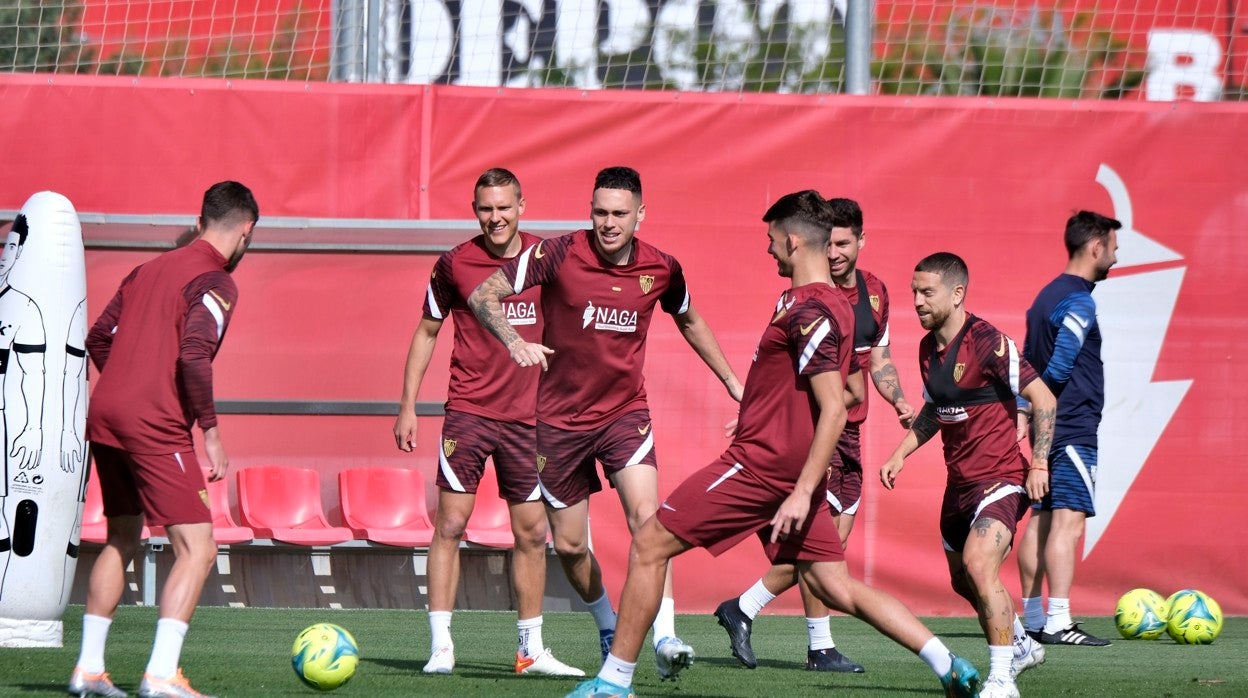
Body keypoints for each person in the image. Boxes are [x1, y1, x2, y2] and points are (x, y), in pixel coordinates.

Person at [565, 191, 982, 698]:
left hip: (761, 468)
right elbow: (830, 389)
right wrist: (761, 411)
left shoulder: (810, 311)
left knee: (650, 543)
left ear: (790, 241)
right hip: (780, 463)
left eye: (770, 242)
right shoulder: (831, 305)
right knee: (836, 586)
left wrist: (803, 489)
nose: (768, 251)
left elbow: (835, 406)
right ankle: (949, 664)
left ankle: (614, 682)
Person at [468, 166, 743, 677]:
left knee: (648, 520)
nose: (608, 223)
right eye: (600, 212)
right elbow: (484, 294)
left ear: (641, 214)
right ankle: (608, 626)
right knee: (570, 546)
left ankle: (663, 636)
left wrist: (731, 380)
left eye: (620, 213)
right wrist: (514, 340)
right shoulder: (556, 254)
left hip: (624, 415)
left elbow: (689, 319)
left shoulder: (661, 268)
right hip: (558, 423)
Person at [68, 181, 257, 698]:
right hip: (154, 423)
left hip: (106, 414)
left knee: (122, 537)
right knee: (199, 547)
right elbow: (194, 354)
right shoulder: (216, 279)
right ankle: (160, 674)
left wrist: (129, 380)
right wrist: (211, 432)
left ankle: (88, 670)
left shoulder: (146, 270)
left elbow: (98, 338)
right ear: (247, 230)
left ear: (200, 221)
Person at [392, 168, 582, 677]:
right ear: (475, 210)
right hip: (470, 413)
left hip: (531, 421)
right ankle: (440, 646)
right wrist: (408, 405)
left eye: (504, 207)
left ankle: (530, 651)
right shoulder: (454, 263)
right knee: (450, 524)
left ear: (522, 205)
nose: (495, 217)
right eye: (485, 209)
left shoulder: (549, 257)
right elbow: (427, 333)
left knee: (530, 533)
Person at [714, 197, 915, 673]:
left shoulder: (876, 295)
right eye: (832, 244)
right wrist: (770, 419)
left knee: (829, 550)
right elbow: (806, 382)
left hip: (850, 433)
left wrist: (900, 399)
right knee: (822, 551)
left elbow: (878, 363)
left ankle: (745, 609)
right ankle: (816, 643)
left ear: (860, 241)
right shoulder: (808, 299)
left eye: (846, 243)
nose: (837, 252)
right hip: (819, 432)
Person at [879, 252, 1056, 698]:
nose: (916, 301)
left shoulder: (987, 341)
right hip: (959, 485)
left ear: (957, 294)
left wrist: (1037, 463)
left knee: (980, 565)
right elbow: (937, 409)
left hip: (1002, 478)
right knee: (963, 580)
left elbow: (1044, 399)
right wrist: (901, 453)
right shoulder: (926, 349)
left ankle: (1001, 680)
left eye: (927, 292)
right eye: (914, 292)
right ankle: (1020, 643)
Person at [1015, 211, 1120, 647]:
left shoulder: (1044, 296)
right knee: (1068, 522)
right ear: (1095, 246)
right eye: (1113, 247)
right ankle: (1058, 619)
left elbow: (1025, 360)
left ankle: (1034, 618)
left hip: (1051, 426)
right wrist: (1038, 403)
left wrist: (1026, 408)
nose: (1116, 255)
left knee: (1040, 520)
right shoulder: (1079, 299)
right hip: (1072, 426)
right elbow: (1059, 364)